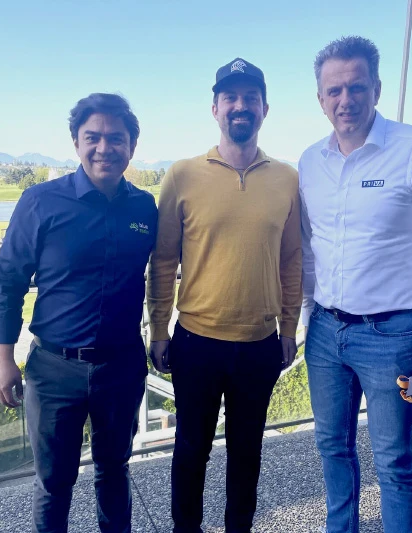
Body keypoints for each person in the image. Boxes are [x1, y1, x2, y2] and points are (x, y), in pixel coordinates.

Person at [297, 36, 412, 533]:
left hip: (391, 336)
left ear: (376, 88)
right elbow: (309, 248)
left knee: (394, 462)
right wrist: (306, 319)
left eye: (356, 87)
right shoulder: (310, 162)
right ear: (320, 98)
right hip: (325, 334)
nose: (345, 100)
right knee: (332, 449)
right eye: (334, 91)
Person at [0, 93, 157, 533]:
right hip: (54, 369)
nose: (104, 148)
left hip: (121, 365)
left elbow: (162, 272)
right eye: (93, 137)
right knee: (53, 483)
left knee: (114, 471)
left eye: (116, 138)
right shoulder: (40, 201)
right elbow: (8, 279)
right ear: (76, 142)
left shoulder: (144, 208)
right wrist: (3, 359)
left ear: (132, 145)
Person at [146, 57, 302, 533]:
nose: (240, 106)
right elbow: (163, 260)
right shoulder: (182, 175)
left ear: (265, 109)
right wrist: (158, 330)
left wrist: (289, 327)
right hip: (196, 342)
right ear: (214, 108)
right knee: (191, 450)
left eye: (250, 98)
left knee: (247, 454)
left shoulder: (287, 178)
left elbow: (291, 259)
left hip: (259, 344)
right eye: (230, 97)